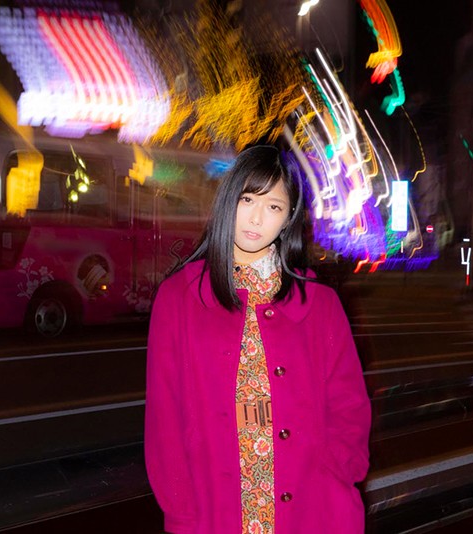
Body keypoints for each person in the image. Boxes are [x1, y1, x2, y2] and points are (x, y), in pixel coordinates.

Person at [145, 145, 371, 533]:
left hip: (311, 507)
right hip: (213, 509)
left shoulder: (320, 304)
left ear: (287, 220)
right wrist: (180, 512)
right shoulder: (178, 297)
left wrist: (337, 472)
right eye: (247, 199)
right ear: (228, 200)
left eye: (273, 206)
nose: (256, 218)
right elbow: (164, 420)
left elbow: (350, 406)